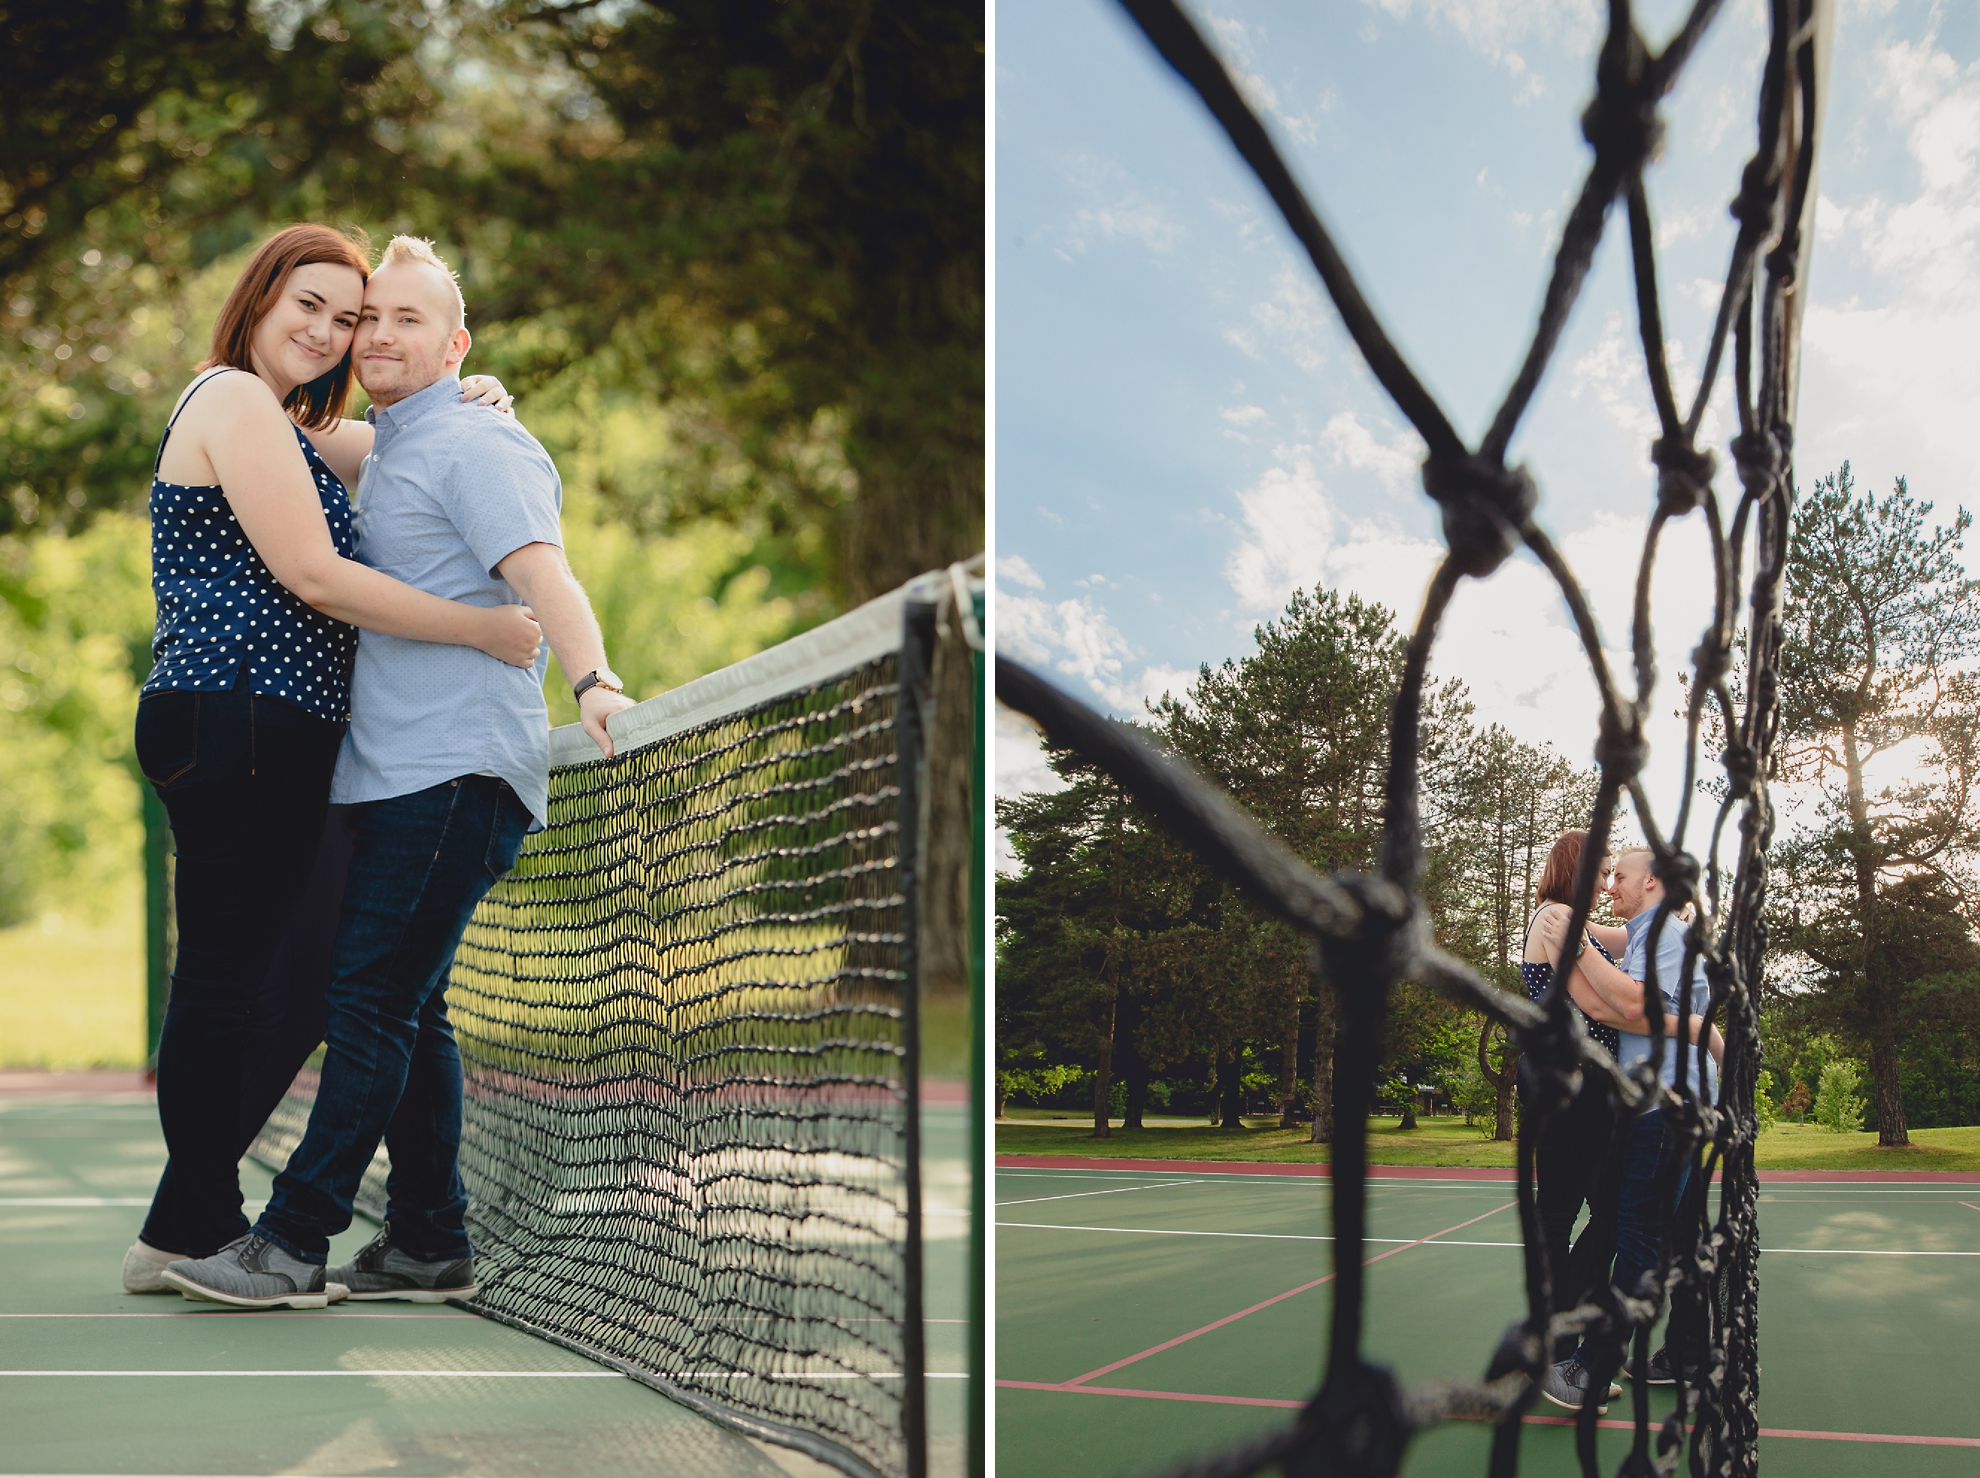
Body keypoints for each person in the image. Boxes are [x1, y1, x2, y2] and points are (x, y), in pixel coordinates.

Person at [163, 236, 638, 1310]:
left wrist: (595, 677)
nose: (372, 335)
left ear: (454, 340)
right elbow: (288, 437)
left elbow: (542, 571)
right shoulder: (395, 443)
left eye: (404, 320)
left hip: (455, 770)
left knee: (369, 999)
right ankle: (429, 1237)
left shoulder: (476, 443)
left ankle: (290, 1241)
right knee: (410, 1011)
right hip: (391, 777)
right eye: (363, 318)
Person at [1537, 846, 1724, 1412]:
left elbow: (1624, 1005)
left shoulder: (1664, 935)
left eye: (1620, 875)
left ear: (1654, 883)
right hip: (1678, 1103)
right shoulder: (1651, 932)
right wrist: (1564, 918)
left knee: (1637, 1237)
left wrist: (1699, 1029)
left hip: (1665, 1107)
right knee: (1685, 1235)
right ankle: (1689, 1352)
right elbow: (1608, 948)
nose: (1612, 883)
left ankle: (1590, 1364)